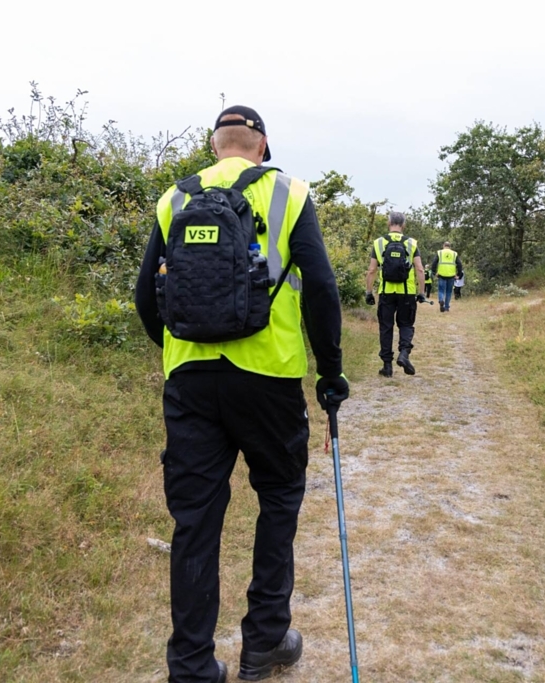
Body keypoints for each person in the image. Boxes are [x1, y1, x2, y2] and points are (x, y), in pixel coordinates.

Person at [135, 105, 348, 683]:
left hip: (190, 385)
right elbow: (323, 290)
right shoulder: (289, 194)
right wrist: (329, 372)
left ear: (214, 146)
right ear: (263, 147)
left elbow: (144, 297)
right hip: (270, 381)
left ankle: (192, 666)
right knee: (278, 499)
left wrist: (179, 351)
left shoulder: (173, 198)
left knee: (195, 522)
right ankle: (265, 642)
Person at [364, 211, 426, 377]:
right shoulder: (412, 243)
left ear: (388, 223)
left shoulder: (378, 243)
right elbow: (420, 268)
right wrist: (422, 292)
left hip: (386, 292)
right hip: (407, 293)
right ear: (403, 225)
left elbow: (371, 270)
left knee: (386, 328)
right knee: (406, 324)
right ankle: (404, 353)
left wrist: (369, 292)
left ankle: (387, 367)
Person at [430, 241, 463, 312]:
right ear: (450, 247)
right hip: (451, 275)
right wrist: (459, 274)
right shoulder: (454, 253)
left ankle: (441, 300)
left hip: (441, 275)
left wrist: (434, 272)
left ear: (443, 246)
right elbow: (459, 264)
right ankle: (447, 307)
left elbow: (434, 263)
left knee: (441, 290)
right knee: (449, 291)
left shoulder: (440, 252)